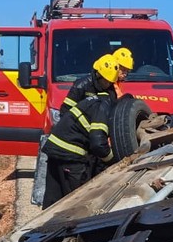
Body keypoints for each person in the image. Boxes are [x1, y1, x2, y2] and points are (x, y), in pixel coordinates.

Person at [42, 55, 117, 208]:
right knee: (76, 201)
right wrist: (112, 159)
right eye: (105, 80)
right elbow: (97, 141)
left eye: (110, 82)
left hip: (58, 146)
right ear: (97, 74)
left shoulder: (107, 94)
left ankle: (49, 227)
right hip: (72, 150)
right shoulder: (84, 87)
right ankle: (72, 229)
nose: (107, 84)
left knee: (54, 198)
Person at [59, 49, 128, 116]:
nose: (108, 84)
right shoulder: (81, 86)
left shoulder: (111, 89)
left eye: (110, 82)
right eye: (106, 81)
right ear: (99, 76)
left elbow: (113, 110)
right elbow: (65, 110)